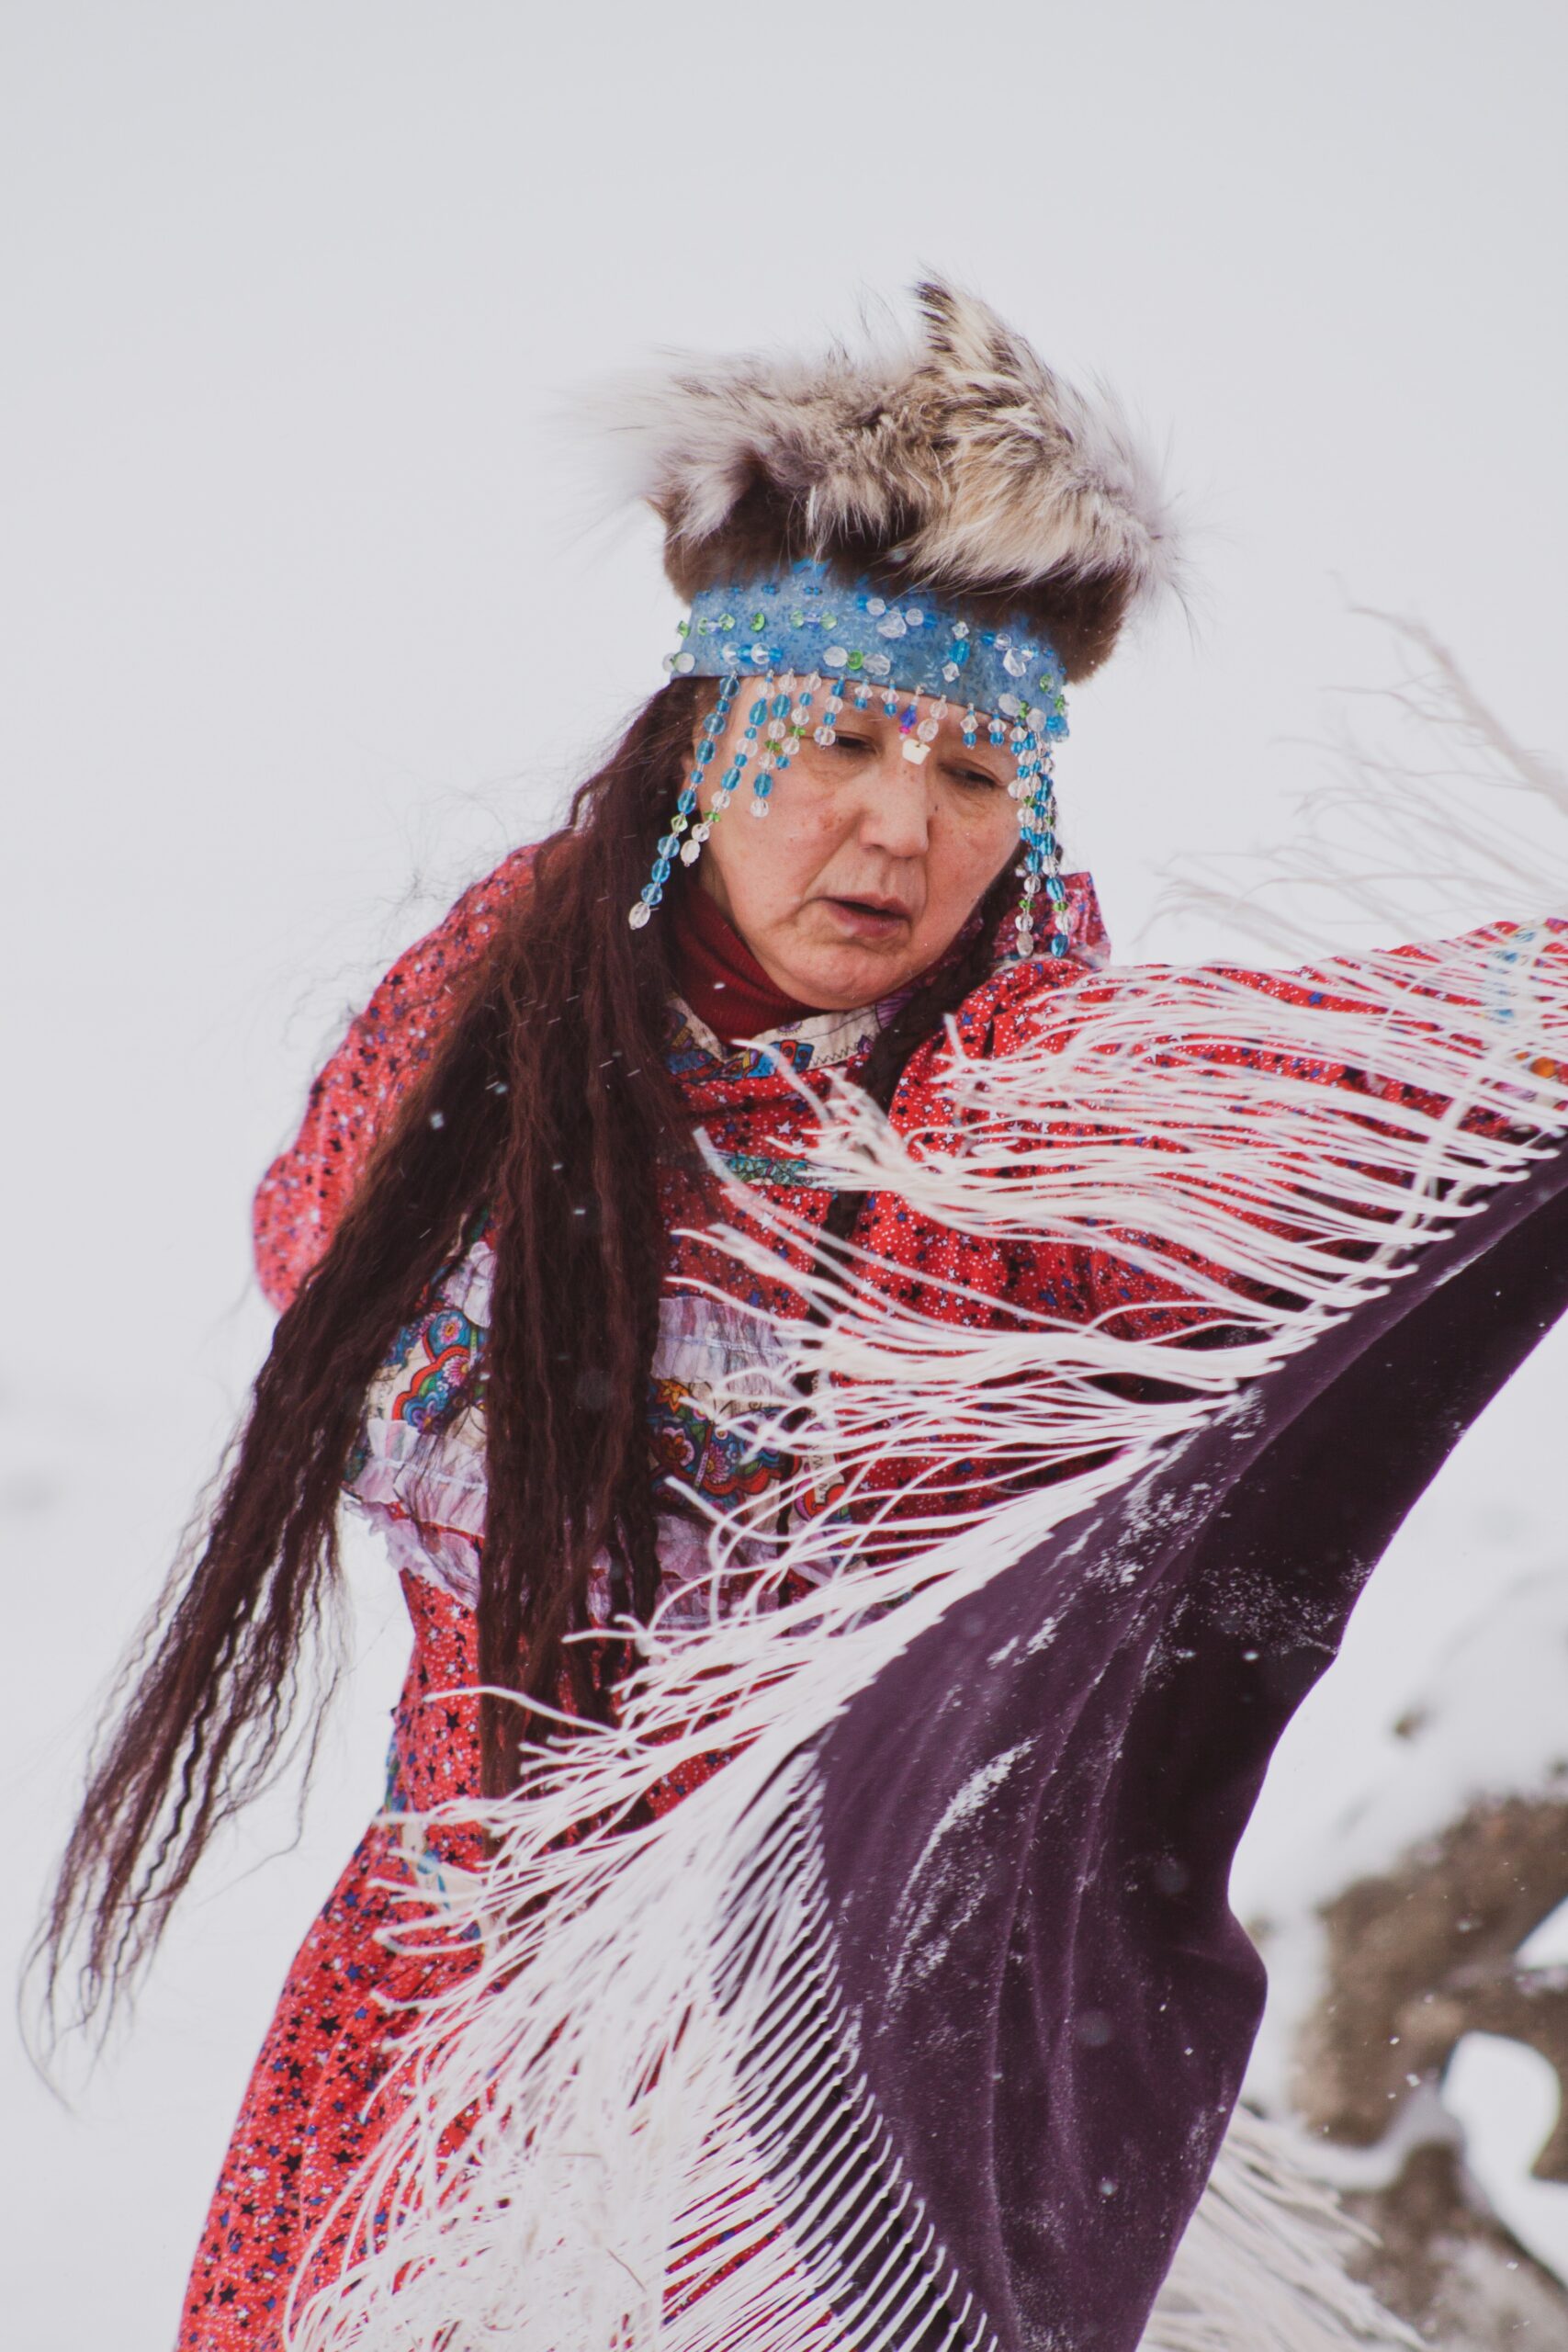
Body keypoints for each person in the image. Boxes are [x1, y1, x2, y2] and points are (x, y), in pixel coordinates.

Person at [37, 281, 1568, 2352]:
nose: (900, 824)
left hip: (801, 2076)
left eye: (969, 765)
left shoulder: (1019, 1129)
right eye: (838, 737)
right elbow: (306, 1233)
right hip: (423, 2017)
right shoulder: (469, 1042)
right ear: (702, 738)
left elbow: (1393, 1068)